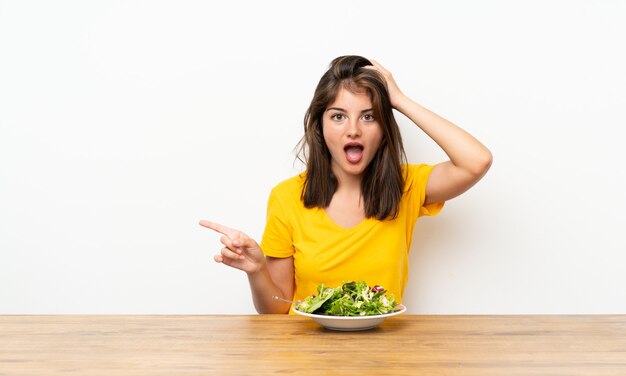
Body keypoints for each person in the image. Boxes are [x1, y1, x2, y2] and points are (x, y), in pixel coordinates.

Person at [200, 55, 492, 314]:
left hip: (383, 354)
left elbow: (476, 161)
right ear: (320, 126)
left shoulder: (407, 186)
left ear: (384, 127)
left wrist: (399, 100)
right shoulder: (286, 197)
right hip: (306, 357)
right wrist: (257, 270)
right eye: (338, 116)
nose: (353, 130)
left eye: (368, 116)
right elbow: (277, 309)